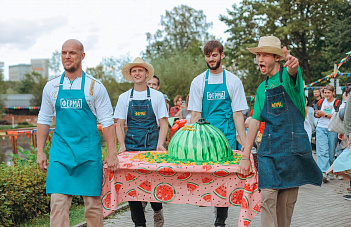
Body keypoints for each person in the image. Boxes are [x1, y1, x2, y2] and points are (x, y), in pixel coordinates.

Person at [239, 36, 322, 227]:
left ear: (277, 57)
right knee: (267, 198)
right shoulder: (262, 88)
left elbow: (293, 72)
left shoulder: (290, 80)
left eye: (264, 55)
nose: (259, 59)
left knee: (285, 209)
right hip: (269, 151)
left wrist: (293, 67)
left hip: (292, 152)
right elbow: (254, 122)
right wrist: (246, 155)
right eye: (258, 54)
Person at [36, 39, 119, 226]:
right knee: (57, 203)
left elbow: (107, 121)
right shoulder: (51, 87)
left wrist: (112, 153)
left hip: (88, 154)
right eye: (64, 53)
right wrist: (40, 151)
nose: (67, 56)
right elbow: (44, 119)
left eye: (72, 53)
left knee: (92, 206)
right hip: (61, 153)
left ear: (82, 56)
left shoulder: (95, 87)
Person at [188, 40, 248, 227]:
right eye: (208, 55)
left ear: (222, 55)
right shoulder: (198, 82)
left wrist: (245, 142)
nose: (211, 59)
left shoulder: (233, 81)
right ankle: (215, 207)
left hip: (227, 136)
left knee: (223, 178)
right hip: (206, 137)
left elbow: (238, 113)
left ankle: (220, 219)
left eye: (214, 55)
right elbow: (195, 114)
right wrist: (191, 140)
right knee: (208, 176)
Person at [114, 57, 168, 227]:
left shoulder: (157, 96)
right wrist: (122, 146)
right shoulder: (124, 98)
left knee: (154, 185)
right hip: (131, 148)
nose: (137, 73)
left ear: (146, 74)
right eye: (134, 71)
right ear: (131, 75)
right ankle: (139, 224)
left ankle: (157, 209)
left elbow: (164, 122)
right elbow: (120, 124)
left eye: (140, 70)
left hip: (152, 147)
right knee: (132, 188)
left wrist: (160, 144)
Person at [314, 84, 341, 182]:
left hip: (332, 128)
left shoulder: (337, 102)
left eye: (329, 92)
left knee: (330, 152)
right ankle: (323, 172)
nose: (327, 94)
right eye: (325, 92)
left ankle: (330, 171)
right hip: (321, 127)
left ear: (333, 93)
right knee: (322, 150)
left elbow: (337, 116)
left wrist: (324, 114)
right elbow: (316, 114)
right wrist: (317, 114)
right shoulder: (321, 102)